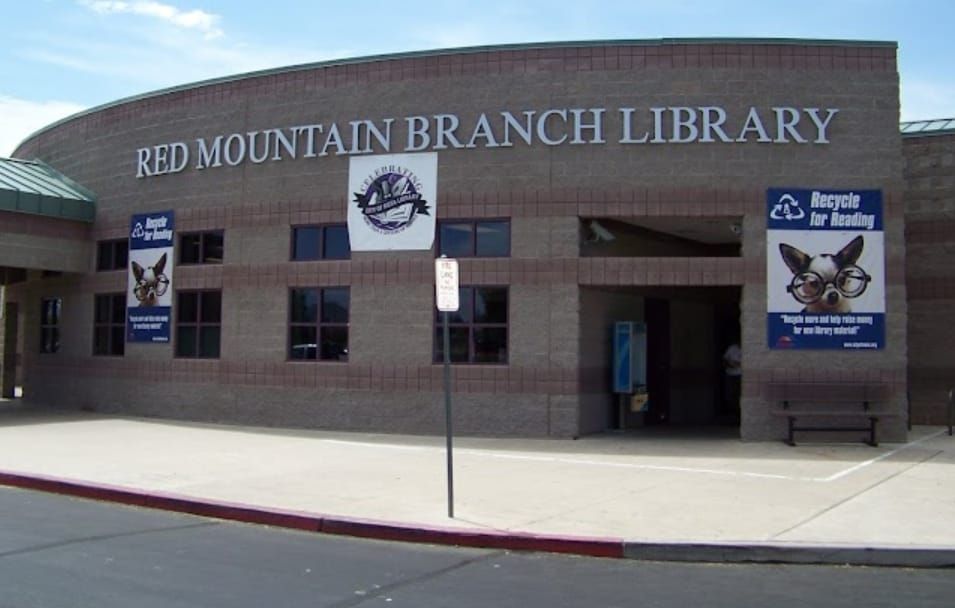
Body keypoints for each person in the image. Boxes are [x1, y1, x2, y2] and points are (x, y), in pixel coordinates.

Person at [722, 338, 741, 421]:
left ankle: (738, 416)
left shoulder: (746, 348)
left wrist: (737, 363)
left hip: (741, 375)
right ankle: (733, 415)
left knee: (739, 395)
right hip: (730, 375)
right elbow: (725, 359)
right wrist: (730, 364)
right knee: (730, 395)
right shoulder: (732, 348)